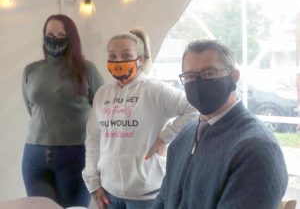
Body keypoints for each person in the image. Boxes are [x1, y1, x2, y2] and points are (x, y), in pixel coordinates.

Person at [152, 40, 289, 209]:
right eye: (189, 77)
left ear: (234, 77)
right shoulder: (185, 135)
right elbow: (164, 198)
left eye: (209, 74)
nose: (197, 83)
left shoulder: (256, 149)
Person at [82, 28, 198, 209]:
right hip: (108, 192)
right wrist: (93, 182)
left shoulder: (154, 90)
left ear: (140, 60)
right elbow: (93, 139)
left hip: (146, 195)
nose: (118, 61)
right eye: (112, 56)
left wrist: (164, 137)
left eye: (126, 55)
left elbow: (194, 108)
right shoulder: (102, 94)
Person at [21, 14, 104, 208]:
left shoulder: (87, 70)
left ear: (72, 38)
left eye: (61, 34)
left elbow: (103, 112)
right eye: (49, 33)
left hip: (75, 156)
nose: (54, 38)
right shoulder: (30, 71)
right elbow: (32, 108)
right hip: (34, 156)